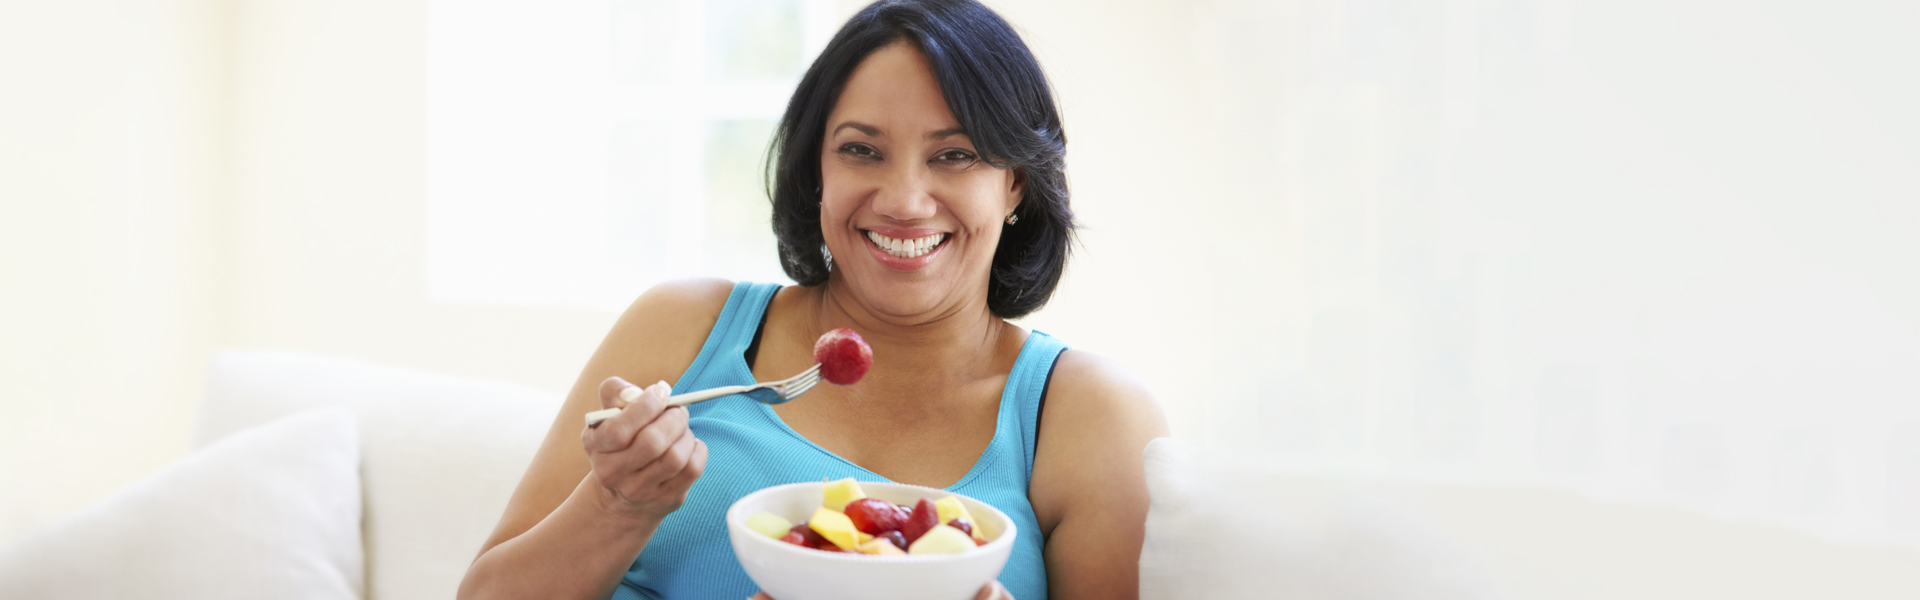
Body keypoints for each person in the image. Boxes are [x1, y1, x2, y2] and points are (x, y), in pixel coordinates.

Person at [457, 1, 1167, 598]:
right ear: (815, 171)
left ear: (1015, 184)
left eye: (955, 155)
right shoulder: (682, 328)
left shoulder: (1091, 417)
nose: (903, 201)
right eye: (861, 150)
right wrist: (618, 504)